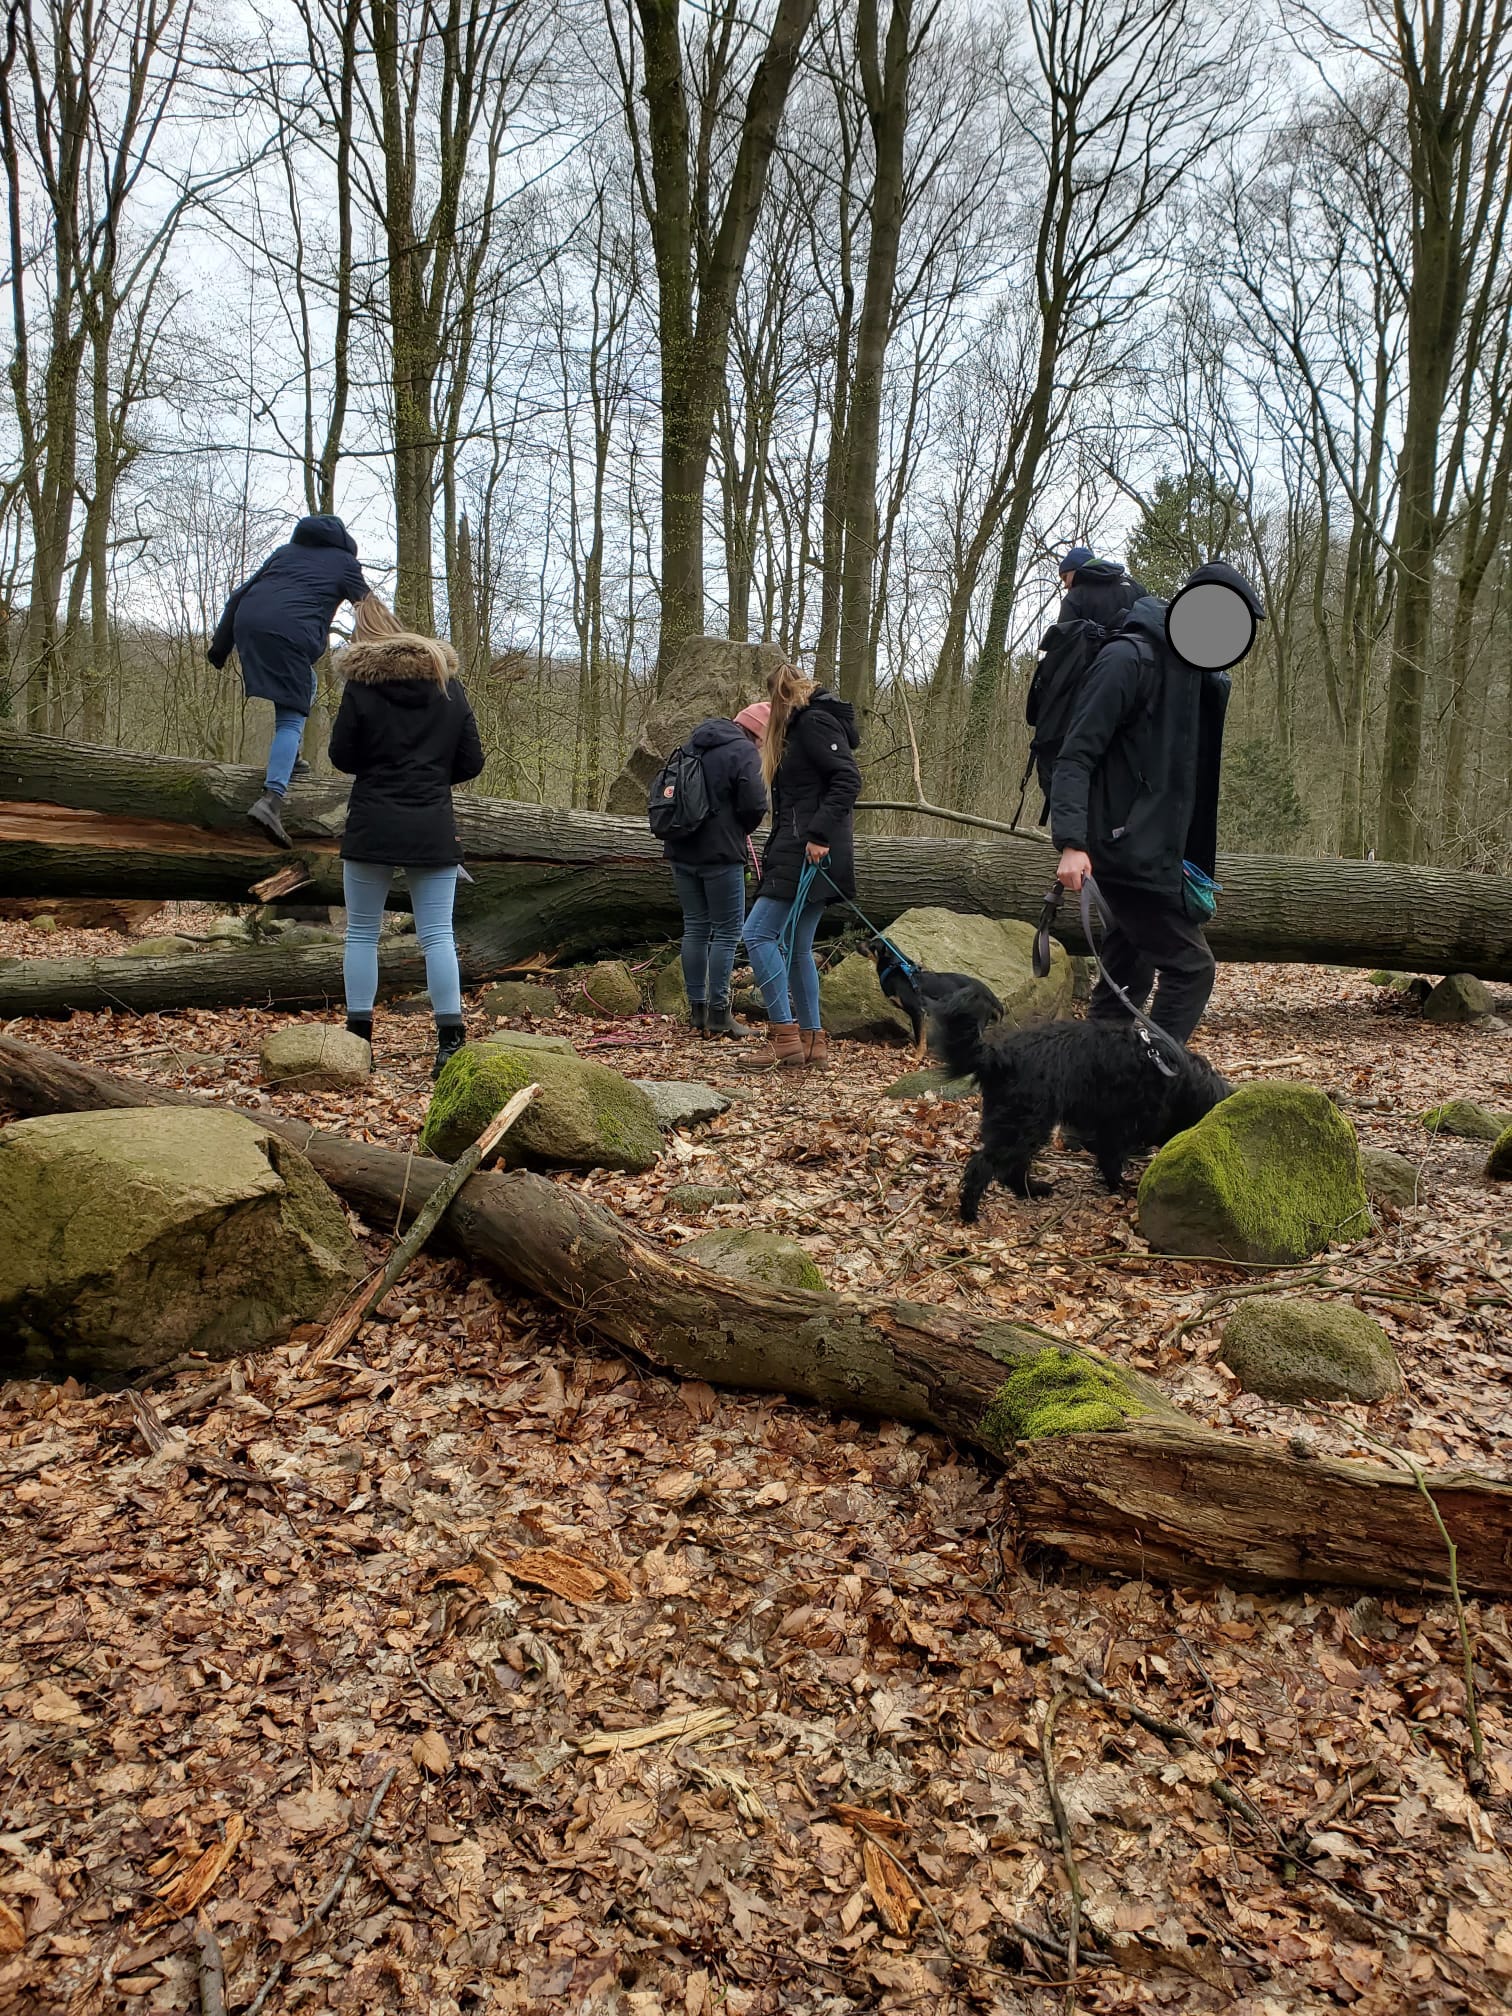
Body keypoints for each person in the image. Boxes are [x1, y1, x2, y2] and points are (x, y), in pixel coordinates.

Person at [1049, 559, 1265, 1045]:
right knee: (1192, 968)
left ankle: (1094, 1108)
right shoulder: (1128, 658)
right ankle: (1155, 1082)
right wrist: (1071, 842)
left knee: (1126, 979)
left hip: (1160, 857)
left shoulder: (1195, 676)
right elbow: (1075, 756)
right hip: (1122, 853)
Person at [328, 596, 484, 1080]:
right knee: (438, 936)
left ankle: (359, 1040)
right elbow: (472, 761)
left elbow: (342, 756)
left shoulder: (360, 690)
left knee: (361, 934)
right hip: (431, 823)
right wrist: (431, 774)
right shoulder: (448, 687)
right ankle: (450, 1042)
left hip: (373, 819)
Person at [208, 514, 370, 848]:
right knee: (291, 717)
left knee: (304, 686)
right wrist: (395, 653)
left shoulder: (284, 552)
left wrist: (220, 648)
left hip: (249, 625)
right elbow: (369, 609)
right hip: (290, 633)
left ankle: (290, 758)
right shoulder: (344, 563)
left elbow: (239, 595)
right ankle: (272, 799)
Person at [740, 663, 862, 1070]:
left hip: (806, 852)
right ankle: (812, 1041)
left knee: (757, 934)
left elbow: (847, 779)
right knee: (796, 949)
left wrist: (819, 836)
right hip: (804, 850)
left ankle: (785, 1034)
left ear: (781, 696)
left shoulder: (813, 724)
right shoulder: (806, 727)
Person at [662, 701, 770, 1037]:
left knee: (695, 927)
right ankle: (720, 1014)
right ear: (759, 735)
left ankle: (697, 1012)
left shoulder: (692, 744)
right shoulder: (744, 753)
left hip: (681, 850)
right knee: (726, 932)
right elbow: (755, 804)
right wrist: (740, 827)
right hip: (722, 854)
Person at [1056, 544, 1143, 628]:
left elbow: (1063, 639)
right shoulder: (1134, 587)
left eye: (1065, 577)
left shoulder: (1075, 598)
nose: (1065, 585)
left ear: (1077, 570)